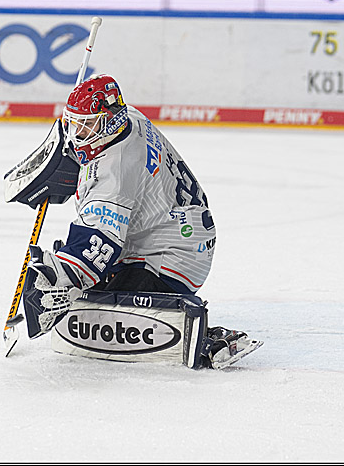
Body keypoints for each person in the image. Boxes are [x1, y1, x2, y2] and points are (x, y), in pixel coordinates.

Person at [19, 74, 260, 368]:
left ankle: (206, 341)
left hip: (172, 254)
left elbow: (99, 243)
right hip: (178, 229)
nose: (77, 134)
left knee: (91, 315)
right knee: (90, 295)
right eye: (74, 124)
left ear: (109, 121)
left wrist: (62, 277)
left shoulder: (115, 172)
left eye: (86, 125)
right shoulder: (129, 116)